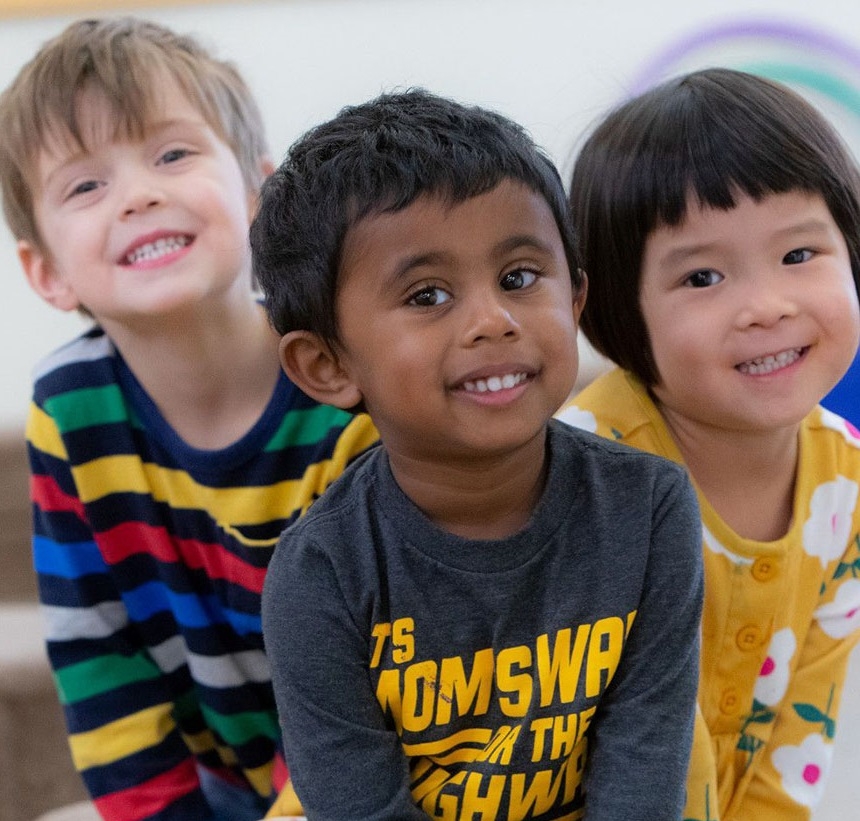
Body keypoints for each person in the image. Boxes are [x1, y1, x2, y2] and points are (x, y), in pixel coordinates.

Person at [253, 87, 704, 820]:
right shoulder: (320, 577)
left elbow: (643, 779)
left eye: (520, 278)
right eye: (428, 295)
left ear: (576, 298)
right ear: (328, 365)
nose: (492, 320)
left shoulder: (650, 510)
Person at [0, 17, 377, 821]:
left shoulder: (345, 391)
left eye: (173, 154)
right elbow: (100, 660)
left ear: (257, 197)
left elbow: (366, 693)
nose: (139, 194)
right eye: (85, 185)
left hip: (375, 784)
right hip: (229, 790)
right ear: (47, 272)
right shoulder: (70, 409)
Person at [558, 67, 860, 821]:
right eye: (702, 276)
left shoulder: (846, 479)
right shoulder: (581, 475)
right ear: (617, 312)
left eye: (799, 255)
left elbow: (799, 731)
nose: (765, 307)